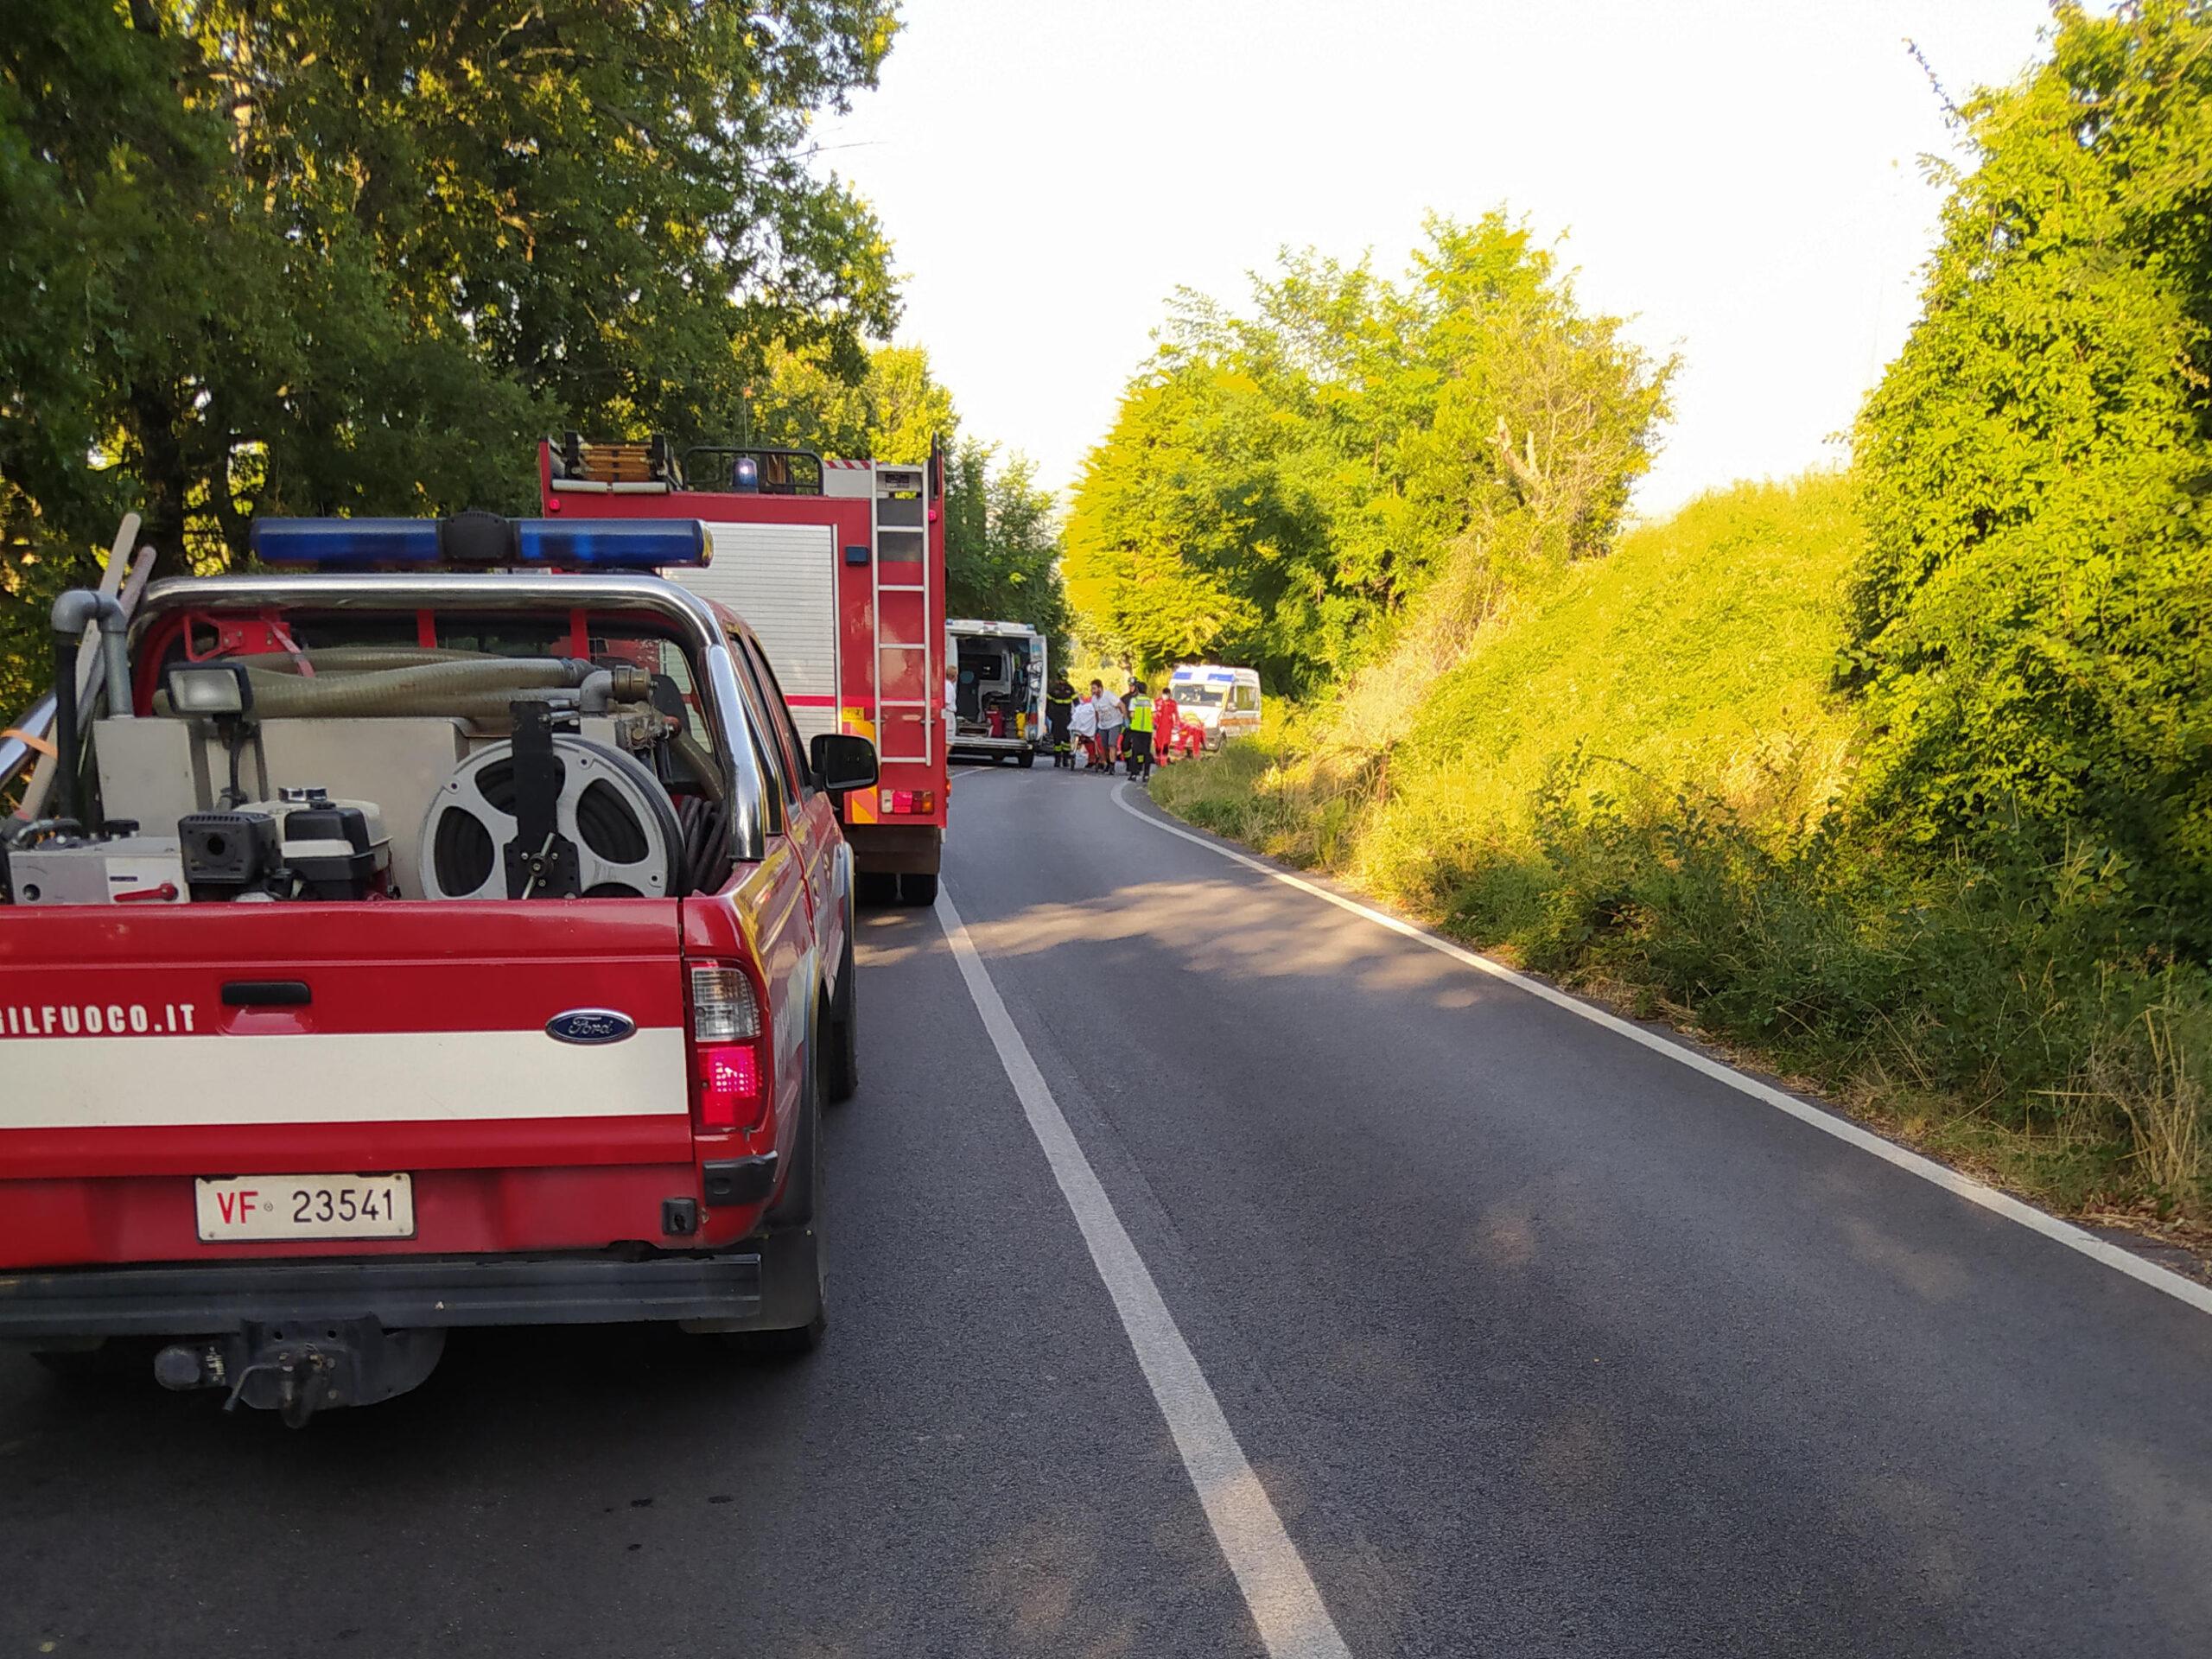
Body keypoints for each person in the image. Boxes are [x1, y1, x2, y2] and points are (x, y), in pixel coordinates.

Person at [1123, 680, 1155, 780]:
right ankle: (1146, 775)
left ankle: (1133, 774)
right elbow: (1153, 715)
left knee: (1135, 752)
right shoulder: (1151, 701)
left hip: (1136, 730)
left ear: (1137, 689)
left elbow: (1132, 714)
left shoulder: (1134, 701)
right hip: (1147, 730)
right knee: (1146, 753)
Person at [1091, 678, 1125, 774]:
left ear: (1100, 688)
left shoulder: (1108, 695)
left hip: (1115, 722)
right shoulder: (1094, 699)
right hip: (1103, 725)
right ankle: (1108, 763)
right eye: (1092, 689)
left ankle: (1112, 767)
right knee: (1105, 746)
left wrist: (1125, 719)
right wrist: (1097, 725)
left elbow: (1121, 705)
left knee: (1112, 744)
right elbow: (1097, 712)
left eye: (1094, 688)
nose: (1093, 691)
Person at [1045, 677, 1076, 768]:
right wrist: (1049, 714)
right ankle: (1057, 760)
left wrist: (1080, 712)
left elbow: (1076, 701)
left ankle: (1065, 759)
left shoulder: (1070, 689)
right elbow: (1047, 702)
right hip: (1056, 717)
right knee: (1057, 740)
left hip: (1066, 717)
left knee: (1066, 739)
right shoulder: (1053, 689)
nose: (1062, 682)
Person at [1069, 690, 1099, 770]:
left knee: (1087, 742)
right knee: (1090, 742)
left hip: (1082, 725)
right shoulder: (1084, 705)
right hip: (1088, 725)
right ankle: (1092, 759)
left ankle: (1092, 759)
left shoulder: (1092, 704)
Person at [1152, 687, 1179, 768]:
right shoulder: (1157, 702)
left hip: (1168, 727)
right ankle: (1157, 759)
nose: (1165, 696)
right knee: (1158, 744)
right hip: (1158, 727)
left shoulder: (1173, 703)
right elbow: (1154, 714)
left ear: (1169, 695)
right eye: (1164, 694)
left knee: (1166, 743)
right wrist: (1153, 725)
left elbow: (1176, 714)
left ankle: (1163, 761)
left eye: (1167, 695)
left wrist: (1177, 724)